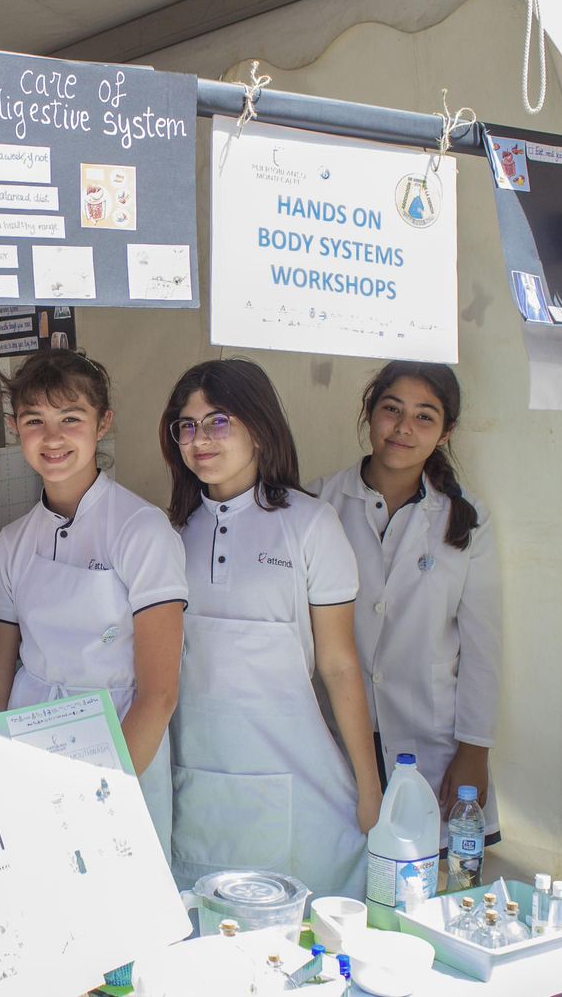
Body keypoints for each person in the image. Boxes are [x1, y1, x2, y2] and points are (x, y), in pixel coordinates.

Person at [160, 359, 381, 899]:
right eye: (186, 426)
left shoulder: (310, 524)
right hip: (196, 776)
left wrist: (369, 786)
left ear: (258, 427)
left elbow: (338, 663)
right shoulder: (168, 532)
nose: (200, 440)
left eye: (218, 421)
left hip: (294, 775)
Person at [0, 349, 186, 857]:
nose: (52, 438)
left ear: (103, 424)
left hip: (120, 746)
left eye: (71, 418)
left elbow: (159, 695)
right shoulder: (11, 544)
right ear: (14, 428)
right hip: (28, 746)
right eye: (34, 420)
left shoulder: (141, 530)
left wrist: (107, 789)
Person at [307, 361, 502, 848]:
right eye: (392, 410)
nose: (403, 428)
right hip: (332, 734)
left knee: (423, 877)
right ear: (369, 414)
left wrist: (474, 749)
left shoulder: (467, 518)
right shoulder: (315, 502)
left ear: (445, 432)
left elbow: (483, 644)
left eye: (424, 417)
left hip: (429, 740)